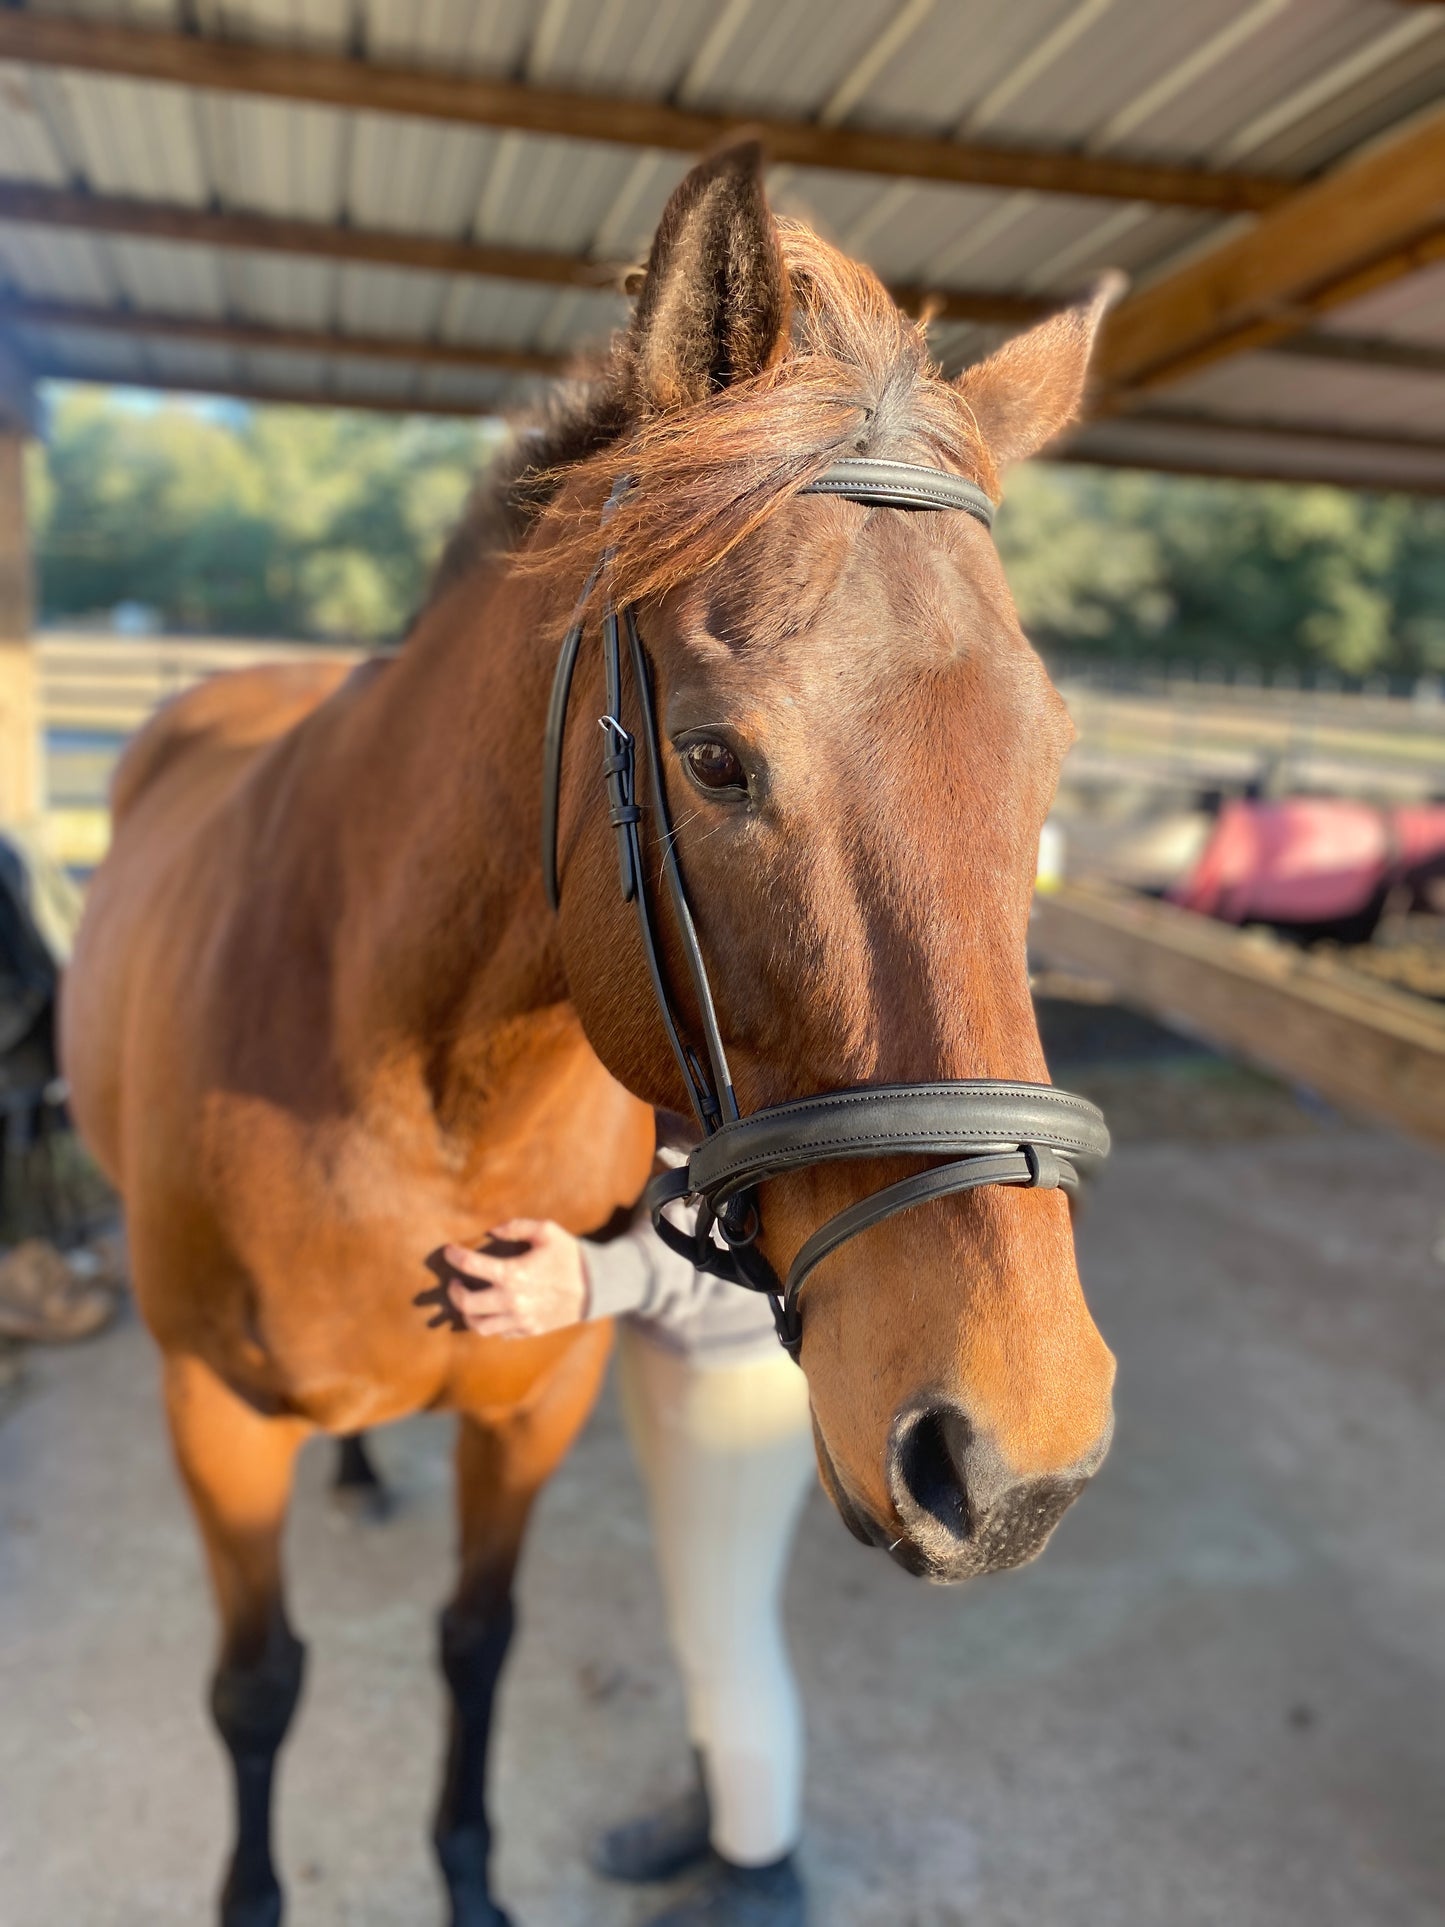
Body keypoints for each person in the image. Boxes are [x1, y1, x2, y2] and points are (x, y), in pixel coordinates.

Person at [442, 1124, 814, 1927]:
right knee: (703, 1626)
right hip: (673, 1349)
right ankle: (728, 1805)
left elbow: (778, 1211)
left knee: (728, 1631)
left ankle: (762, 1875)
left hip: (733, 1364)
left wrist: (596, 1275)